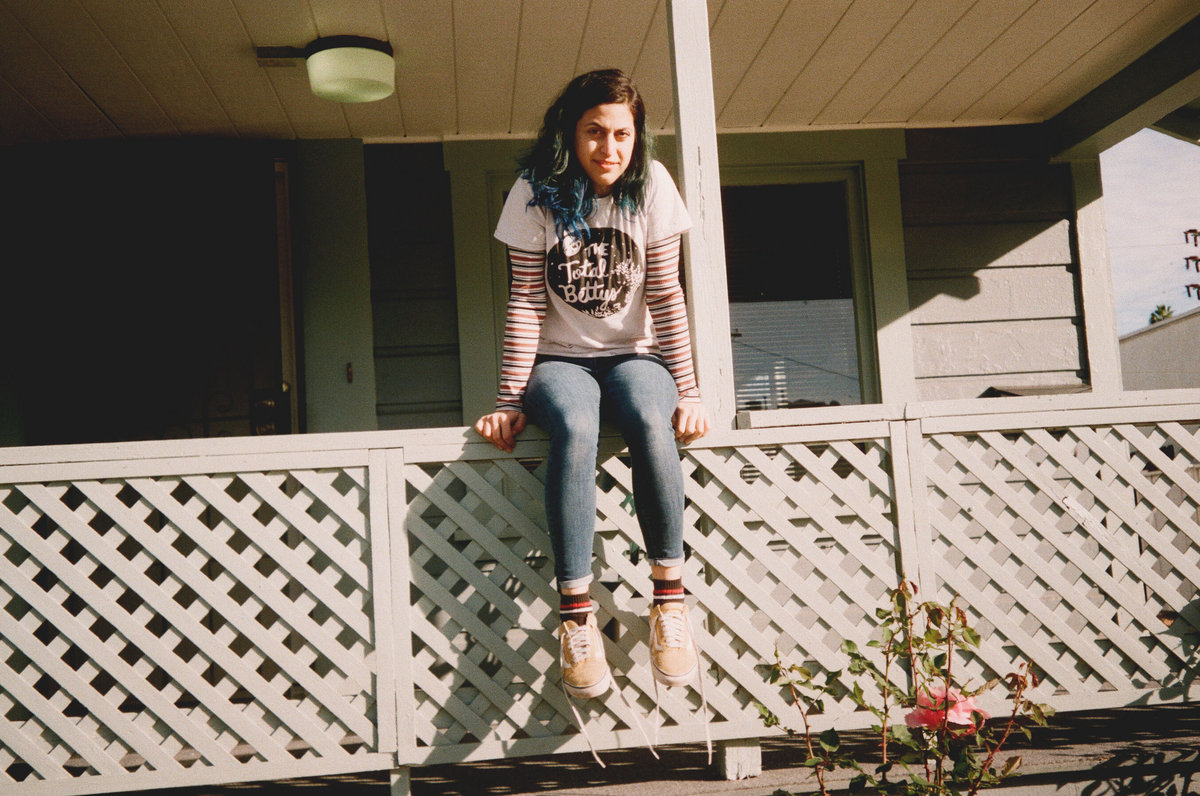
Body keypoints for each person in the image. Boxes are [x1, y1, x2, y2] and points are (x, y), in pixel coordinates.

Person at [474, 68, 711, 728]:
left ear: (638, 138)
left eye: (622, 135)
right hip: (561, 361)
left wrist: (689, 390)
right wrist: (509, 400)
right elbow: (526, 300)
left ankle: (669, 600)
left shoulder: (651, 186)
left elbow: (665, 293)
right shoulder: (534, 192)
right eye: (594, 133)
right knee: (576, 426)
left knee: (650, 415)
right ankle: (575, 617)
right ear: (570, 134)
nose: (610, 148)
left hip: (636, 355)